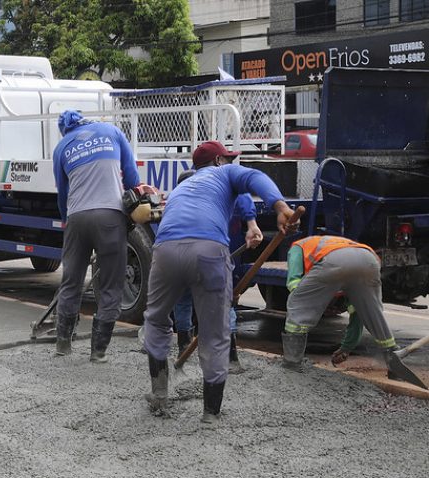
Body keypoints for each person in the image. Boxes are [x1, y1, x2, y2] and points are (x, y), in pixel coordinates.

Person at [143, 140, 295, 424]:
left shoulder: (181, 189)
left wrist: (251, 226)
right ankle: (210, 413)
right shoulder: (224, 173)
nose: (229, 163)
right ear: (217, 162)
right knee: (214, 331)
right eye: (227, 159)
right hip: (208, 252)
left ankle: (159, 396)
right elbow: (253, 178)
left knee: (156, 319)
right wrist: (280, 206)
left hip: (165, 251)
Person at [52, 109, 141, 362]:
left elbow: (62, 193)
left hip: (77, 218)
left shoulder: (61, 148)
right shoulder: (111, 132)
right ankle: (98, 352)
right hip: (110, 216)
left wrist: (66, 220)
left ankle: (63, 345)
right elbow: (131, 175)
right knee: (111, 285)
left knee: (71, 281)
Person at [173, 191, 261, 373]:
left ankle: (184, 349)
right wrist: (252, 223)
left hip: (183, 259)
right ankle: (231, 358)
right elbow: (243, 196)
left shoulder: (177, 203)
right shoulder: (217, 201)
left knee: (183, 302)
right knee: (224, 304)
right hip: (213, 259)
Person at [282, 235, 399, 373]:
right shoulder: (337, 242)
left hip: (334, 262)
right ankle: (395, 365)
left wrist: (309, 301)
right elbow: (357, 315)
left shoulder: (298, 246)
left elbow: (294, 282)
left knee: (297, 301)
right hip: (369, 260)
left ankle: (292, 362)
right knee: (371, 313)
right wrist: (346, 348)